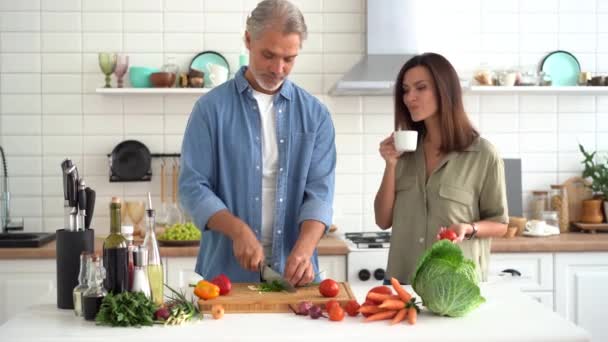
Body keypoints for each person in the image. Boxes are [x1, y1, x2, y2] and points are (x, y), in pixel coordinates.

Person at [179, 0, 336, 286]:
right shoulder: (210, 110)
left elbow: (320, 195)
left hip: (296, 277)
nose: (278, 68)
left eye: (289, 58)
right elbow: (192, 187)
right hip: (225, 277)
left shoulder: (316, 115)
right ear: (248, 40)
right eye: (269, 55)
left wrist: (304, 249)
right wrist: (237, 230)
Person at [374, 53, 508, 284]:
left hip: (454, 285)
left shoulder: (483, 155)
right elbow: (383, 220)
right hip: (403, 285)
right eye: (405, 90)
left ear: (445, 90)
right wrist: (390, 164)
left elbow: (500, 224)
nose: (410, 98)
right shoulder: (403, 152)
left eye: (420, 88)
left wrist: (469, 228)